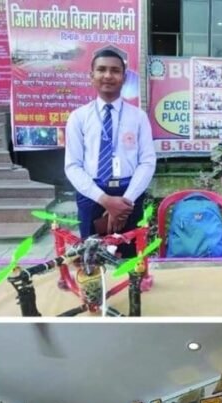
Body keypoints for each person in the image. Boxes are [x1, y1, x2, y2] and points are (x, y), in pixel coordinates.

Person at [64, 46, 156, 257]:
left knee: (130, 258)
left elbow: (147, 162)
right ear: (92, 76)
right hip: (92, 195)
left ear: (124, 78)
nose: (108, 75)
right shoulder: (78, 117)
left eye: (115, 70)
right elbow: (72, 166)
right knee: (92, 259)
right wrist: (106, 200)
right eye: (101, 69)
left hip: (129, 194)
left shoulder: (138, 117)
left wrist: (125, 202)